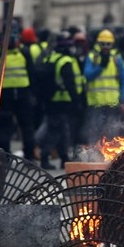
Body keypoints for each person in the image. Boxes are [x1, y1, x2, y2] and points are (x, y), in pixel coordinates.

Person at [0, 34, 36, 160]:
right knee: (18, 127)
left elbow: (32, 74)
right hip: (11, 95)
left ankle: (12, 157)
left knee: (12, 127)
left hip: (13, 95)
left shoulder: (1, 53)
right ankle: (18, 156)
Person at [36, 34, 82, 169]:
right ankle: (45, 157)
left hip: (51, 100)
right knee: (55, 132)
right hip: (62, 101)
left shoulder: (51, 58)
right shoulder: (66, 61)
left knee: (62, 131)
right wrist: (76, 101)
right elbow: (70, 84)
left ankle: (64, 158)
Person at [83, 29, 124, 143]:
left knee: (112, 134)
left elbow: (123, 80)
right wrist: (100, 67)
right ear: (98, 43)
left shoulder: (117, 59)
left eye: (108, 44)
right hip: (95, 103)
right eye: (103, 43)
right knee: (94, 133)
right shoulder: (92, 57)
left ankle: (109, 158)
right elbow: (88, 75)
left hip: (112, 104)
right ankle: (94, 158)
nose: (105, 46)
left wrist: (123, 100)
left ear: (112, 44)